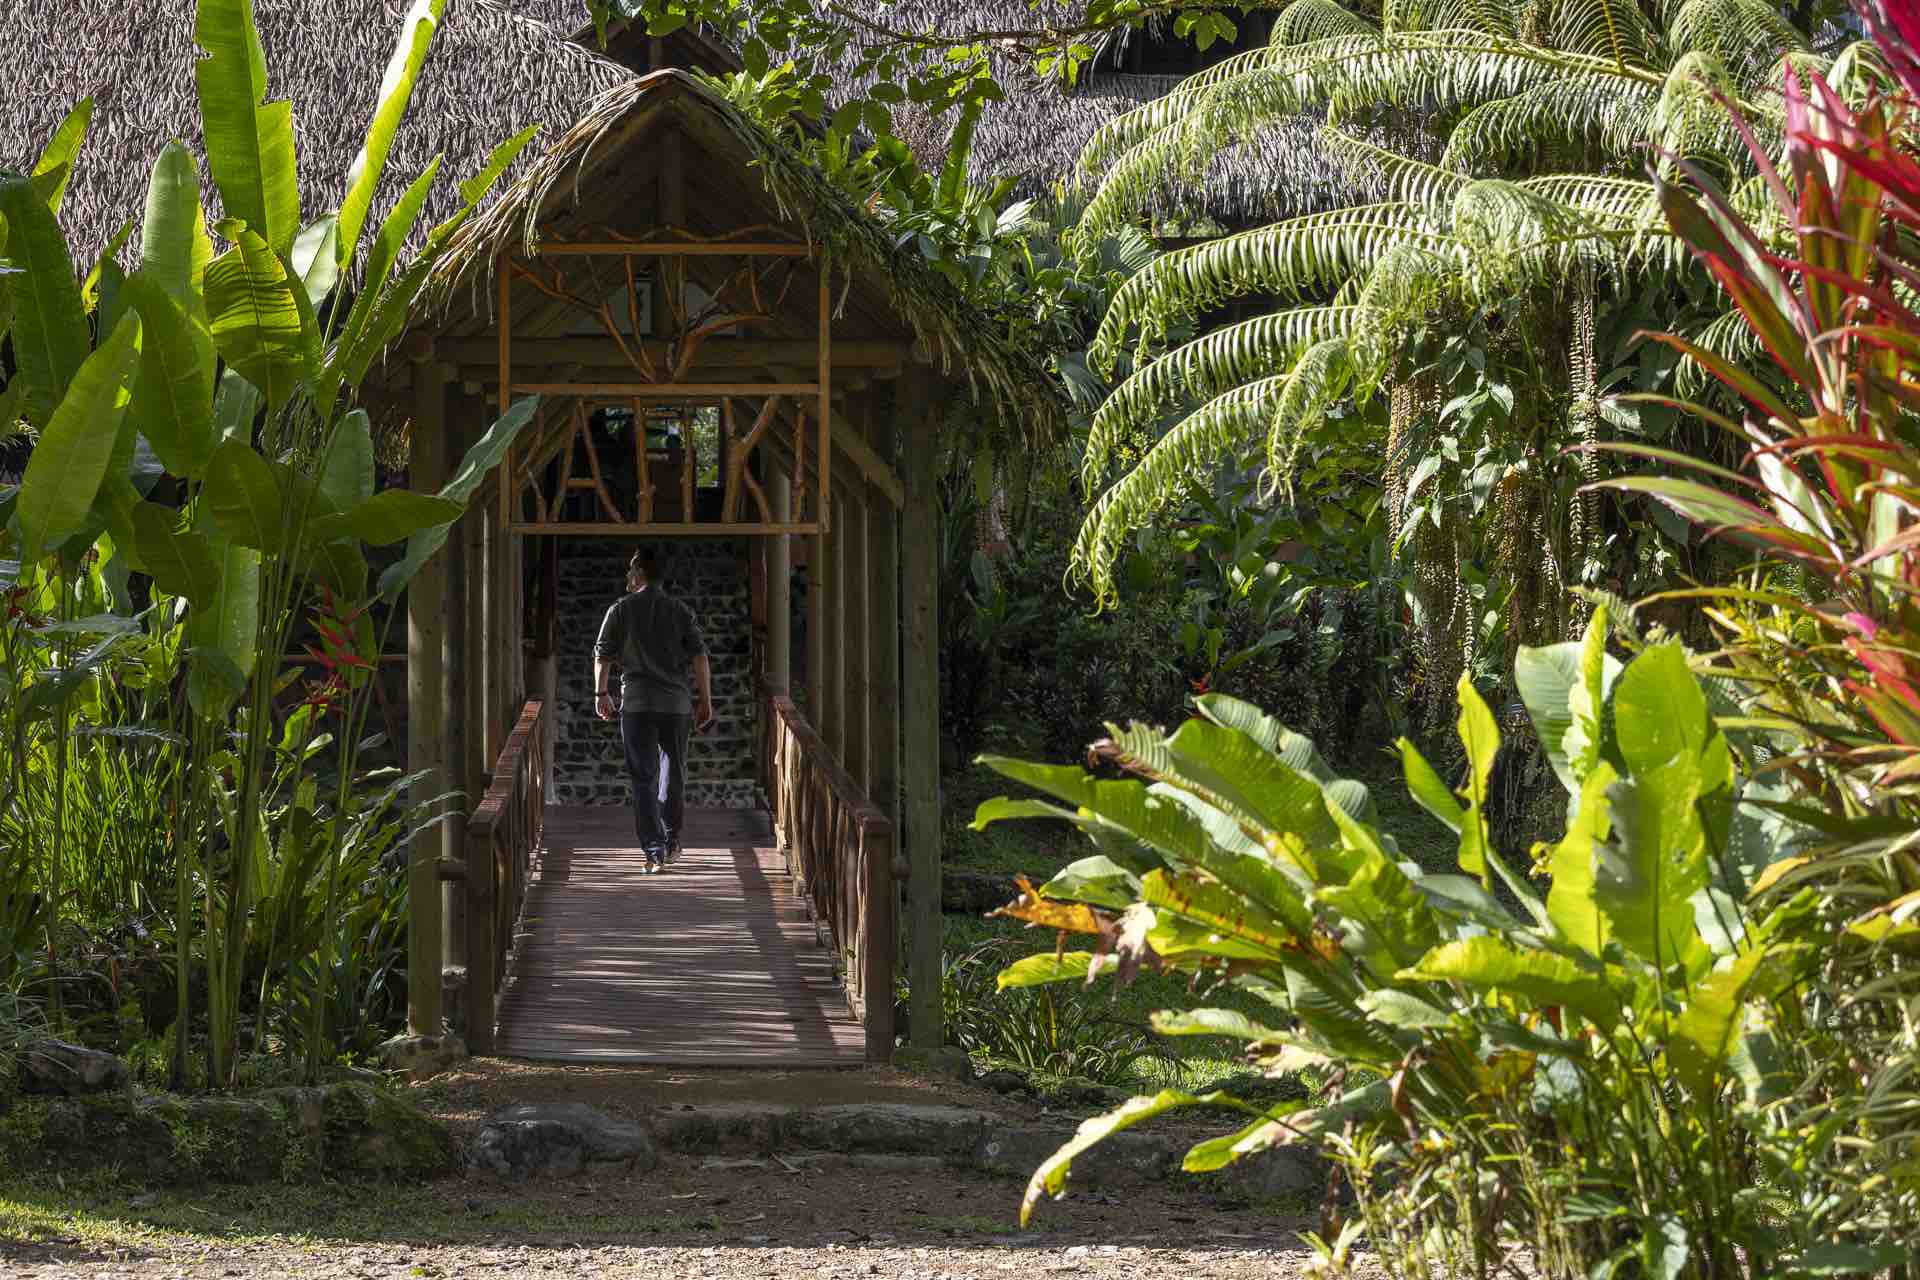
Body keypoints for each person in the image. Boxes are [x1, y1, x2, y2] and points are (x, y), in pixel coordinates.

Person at [593, 548, 715, 873]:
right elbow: (699, 656)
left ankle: (653, 850)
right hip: (676, 706)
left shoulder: (620, 609)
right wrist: (705, 700)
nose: (627, 576)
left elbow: (602, 654)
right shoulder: (679, 610)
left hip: (637, 704)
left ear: (638, 573)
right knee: (674, 773)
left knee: (643, 778)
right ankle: (672, 839)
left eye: (629, 571)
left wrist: (601, 693)